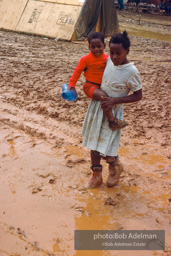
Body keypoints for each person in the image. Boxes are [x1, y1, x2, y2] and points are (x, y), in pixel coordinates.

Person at [82, 31, 142, 188]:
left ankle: (115, 167)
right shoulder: (108, 62)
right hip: (98, 109)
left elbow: (138, 95)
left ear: (127, 51)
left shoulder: (132, 72)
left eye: (119, 53)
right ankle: (96, 176)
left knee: (108, 150)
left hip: (113, 114)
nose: (115, 57)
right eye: (112, 52)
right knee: (93, 144)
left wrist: (115, 100)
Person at [68, 32, 128, 130]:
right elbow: (77, 71)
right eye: (93, 47)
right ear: (89, 47)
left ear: (104, 46)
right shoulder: (85, 59)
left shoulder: (108, 59)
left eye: (99, 46)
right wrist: (72, 85)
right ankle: (112, 121)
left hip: (103, 86)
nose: (96, 49)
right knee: (104, 97)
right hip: (90, 87)